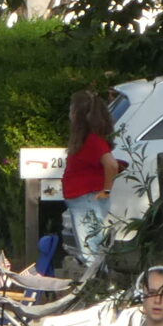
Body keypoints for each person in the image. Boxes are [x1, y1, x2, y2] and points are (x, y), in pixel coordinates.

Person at [62, 86, 118, 275]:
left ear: (77, 113)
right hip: (83, 198)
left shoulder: (92, 140)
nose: (69, 113)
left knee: (91, 250)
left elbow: (111, 165)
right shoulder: (89, 139)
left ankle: (97, 288)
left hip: (87, 198)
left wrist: (107, 190)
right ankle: (98, 283)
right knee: (92, 247)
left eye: (71, 108)